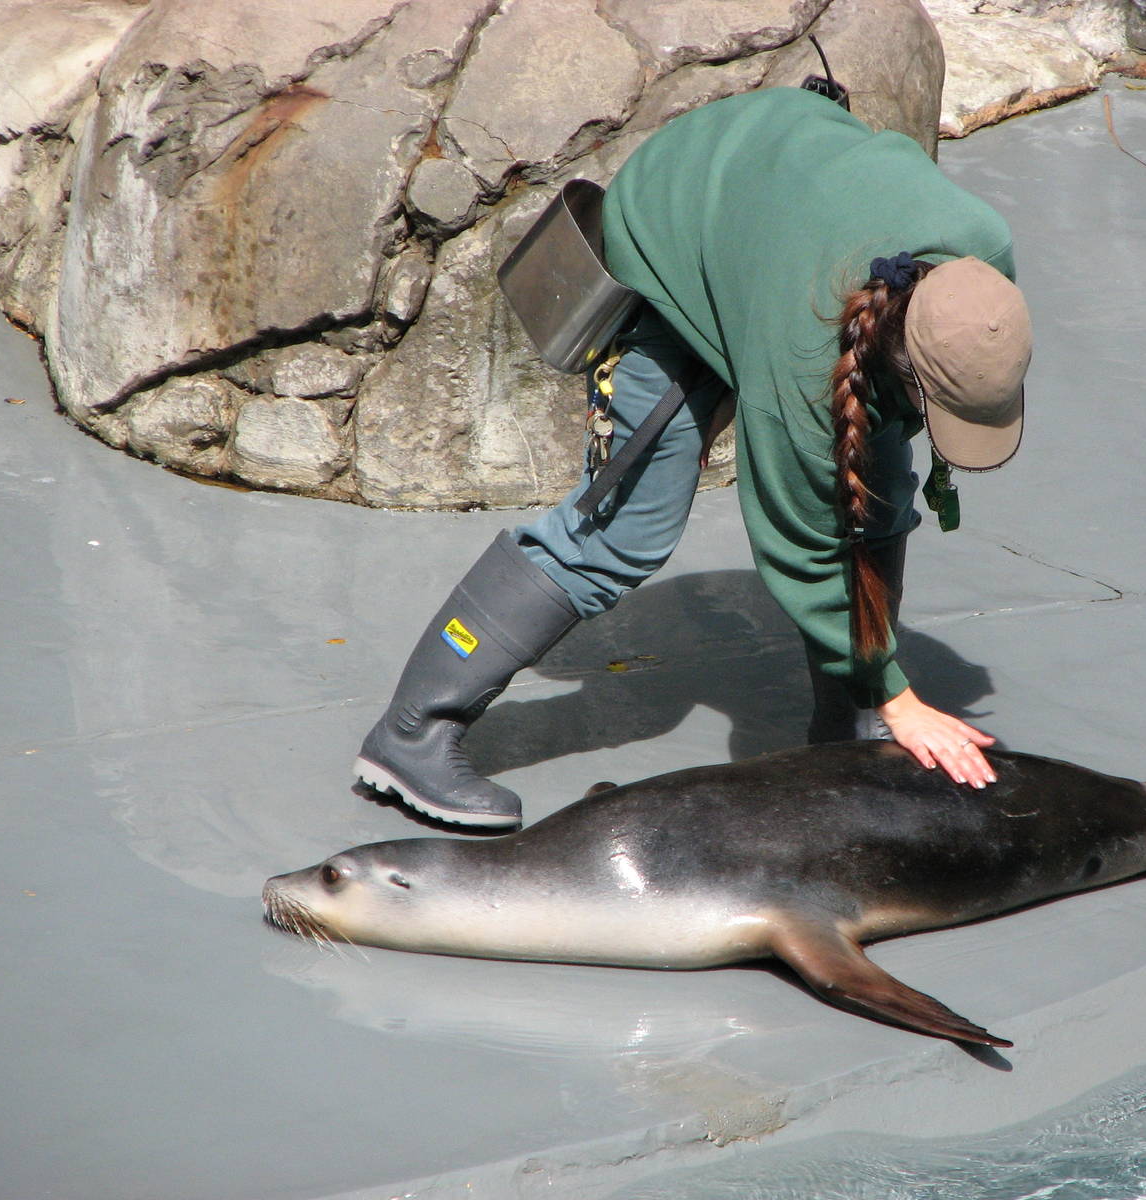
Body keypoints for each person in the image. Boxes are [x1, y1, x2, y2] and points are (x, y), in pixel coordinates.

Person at [352, 85, 1032, 829]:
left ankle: (850, 728)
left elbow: (876, 467)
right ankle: (409, 736)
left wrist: (878, 699)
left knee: (881, 490)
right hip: (677, 228)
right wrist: (898, 696)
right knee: (620, 532)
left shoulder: (984, 264)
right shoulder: (804, 367)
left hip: (776, 205)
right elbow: (802, 549)